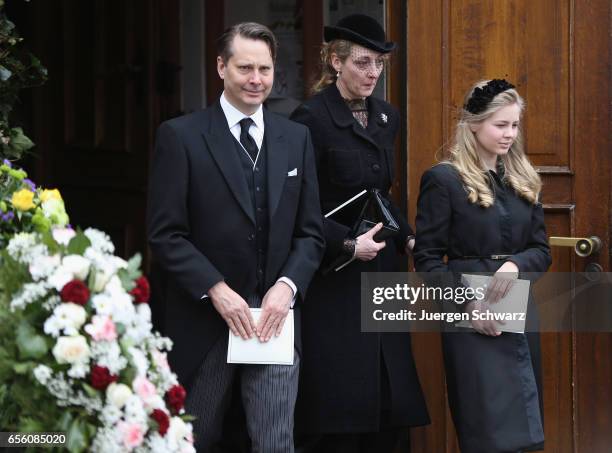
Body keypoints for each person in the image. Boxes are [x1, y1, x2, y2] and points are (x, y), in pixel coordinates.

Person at [147, 22, 325, 452]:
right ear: (221, 66)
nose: (256, 79)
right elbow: (165, 233)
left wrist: (287, 288)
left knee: (275, 442)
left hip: (274, 322)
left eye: (265, 69)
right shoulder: (180, 137)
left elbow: (311, 233)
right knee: (194, 438)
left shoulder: (296, 137)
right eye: (245, 67)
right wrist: (217, 291)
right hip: (206, 320)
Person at [290, 14, 429, 452]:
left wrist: (407, 236)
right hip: (337, 275)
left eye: (379, 65)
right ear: (336, 62)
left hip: (383, 267)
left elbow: (380, 192)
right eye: (363, 63)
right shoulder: (309, 117)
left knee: (389, 396)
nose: (373, 74)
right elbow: (299, 206)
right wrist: (346, 244)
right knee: (341, 398)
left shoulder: (387, 117)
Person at [414, 79, 551, 452]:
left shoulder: (523, 178)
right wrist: (468, 305)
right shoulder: (444, 180)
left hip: (518, 309)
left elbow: (541, 250)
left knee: (527, 429)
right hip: (471, 316)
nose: (509, 134)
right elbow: (427, 259)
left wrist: (514, 266)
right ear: (473, 124)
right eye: (500, 125)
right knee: (488, 432)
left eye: (515, 125)